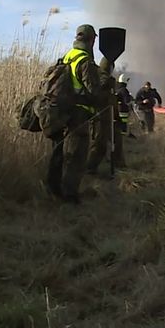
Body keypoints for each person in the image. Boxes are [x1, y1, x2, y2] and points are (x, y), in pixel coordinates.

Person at [46, 24, 104, 204]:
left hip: (60, 112)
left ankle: (53, 190)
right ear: (91, 40)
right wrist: (105, 88)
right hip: (78, 114)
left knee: (60, 152)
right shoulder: (85, 61)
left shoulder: (67, 56)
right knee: (76, 155)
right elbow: (93, 92)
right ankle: (69, 197)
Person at [85, 57, 120, 176]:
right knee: (97, 143)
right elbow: (97, 93)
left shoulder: (106, 78)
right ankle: (89, 169)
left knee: (103, 145)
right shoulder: (100, 77)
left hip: (105, 116)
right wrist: (109, 85)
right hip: (98, 116)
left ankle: (93, 168)